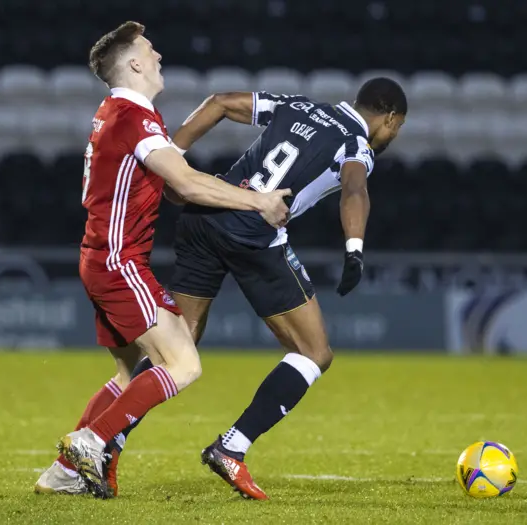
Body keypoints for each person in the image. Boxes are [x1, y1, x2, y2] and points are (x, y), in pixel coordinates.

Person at [112, 78, 408, 500]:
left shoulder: (297, 105)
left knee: (177, 345)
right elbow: (355, 189)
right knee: (314, 352)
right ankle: (231, 446)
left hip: (204, 216)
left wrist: (171, 159)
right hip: (253, 234)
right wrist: (355, 250)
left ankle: (107, 441)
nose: (392, 136)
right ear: (391, 118)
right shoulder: (355, 144)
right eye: (396, 129)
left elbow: (219, 102)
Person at [33, 21, 291, 499]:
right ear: (133, 63)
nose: (158, 57)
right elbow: (186, 182)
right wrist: (259, 201)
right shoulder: (136, 117)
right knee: (183, 363)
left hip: (99, 258)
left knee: (131, 372)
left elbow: (171, 184)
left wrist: (207, 189)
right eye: (150, 51)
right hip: (119, 262)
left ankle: (62, 474)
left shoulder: (114, 113)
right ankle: (89, 442)